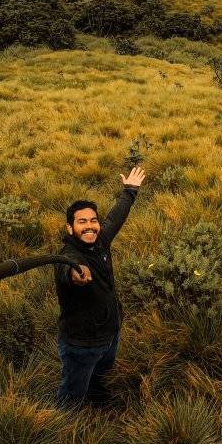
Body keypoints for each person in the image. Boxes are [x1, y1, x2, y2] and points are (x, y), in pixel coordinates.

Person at [53, 166, 145, 410]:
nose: (90, 226)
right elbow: (67, 271)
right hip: (82, 344)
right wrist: (76, 274)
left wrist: (130, 191)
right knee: (73, 391)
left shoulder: (100, 241)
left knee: (100, 374)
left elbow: (115, 217)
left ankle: (96, 395)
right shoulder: (68, 255)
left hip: (110, 333)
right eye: (82, 222)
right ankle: (63, 423)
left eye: (93, 220)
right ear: (70, 228)